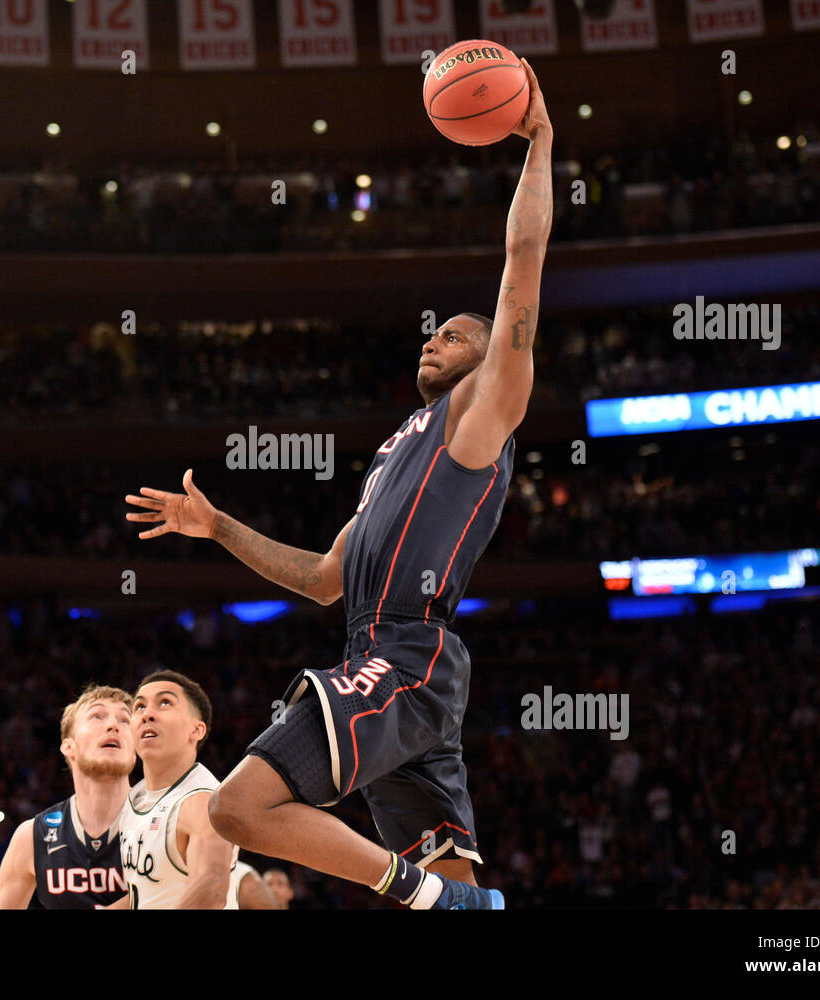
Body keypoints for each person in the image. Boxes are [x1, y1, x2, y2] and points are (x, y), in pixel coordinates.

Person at [128, 61, 552, 911]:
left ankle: (429, 895)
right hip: (383, 660)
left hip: (406, 654)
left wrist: (540, 141)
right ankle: (450, 900)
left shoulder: (483, 411)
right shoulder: (400, 449)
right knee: (458, 891)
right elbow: (323, 579)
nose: (439, 338)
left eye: (461, 334)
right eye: (435, 332)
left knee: (241, 808)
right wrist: (220, 529)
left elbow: (522, 259)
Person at [0, 685, 134, 909]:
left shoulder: (166, 819)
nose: (113, 725)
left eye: (125, 720)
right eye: (97, 716)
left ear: (136, 748)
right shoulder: (33, 837)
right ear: (68, 746)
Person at [109, 671, 237, 909]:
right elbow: (150, 894)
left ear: (196, 730)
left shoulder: (203, 801)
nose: (147, 714)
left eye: (165, 702)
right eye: (139, 707)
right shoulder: (136, 797)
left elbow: (211, 890)